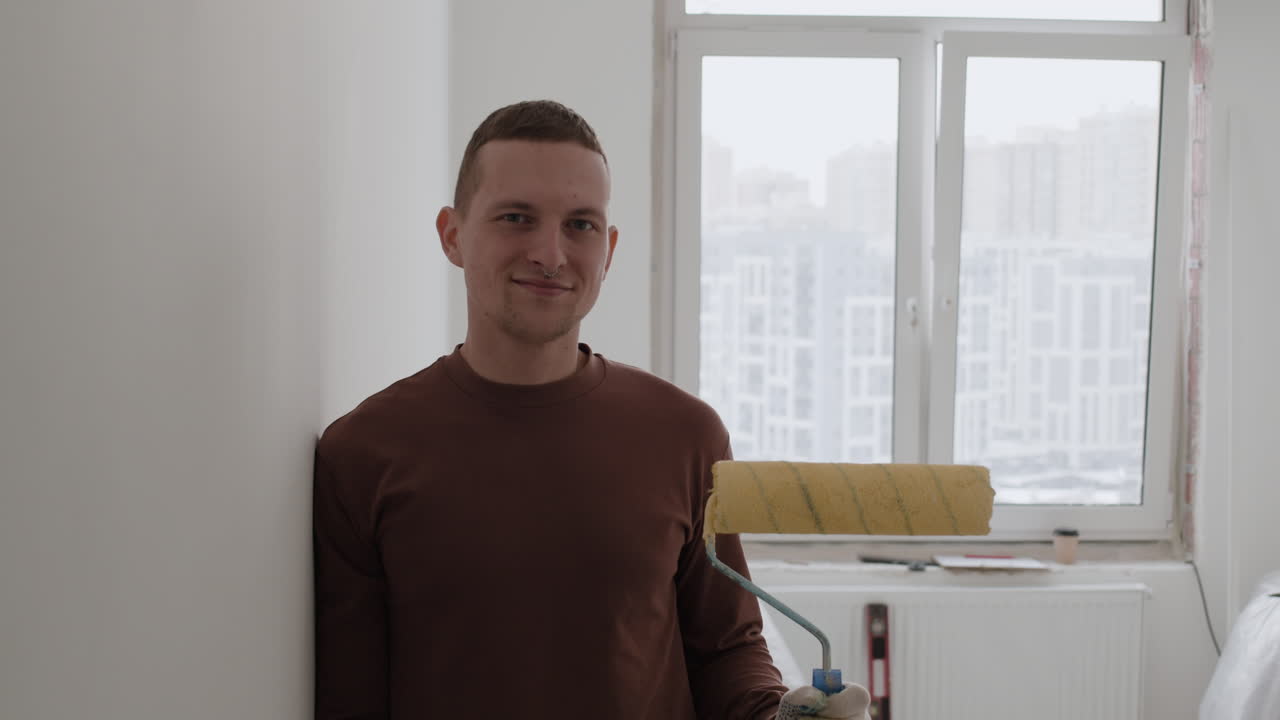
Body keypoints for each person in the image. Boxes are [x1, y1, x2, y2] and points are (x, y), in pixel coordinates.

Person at [313, 99, 868, 719]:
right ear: (452, 235)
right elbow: (350, 696)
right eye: (517, 218)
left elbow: (726, 649)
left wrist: (782, 716)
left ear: (609, 249)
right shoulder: (362, 454)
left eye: (580, 225)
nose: (551, 254)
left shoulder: (686, 436)